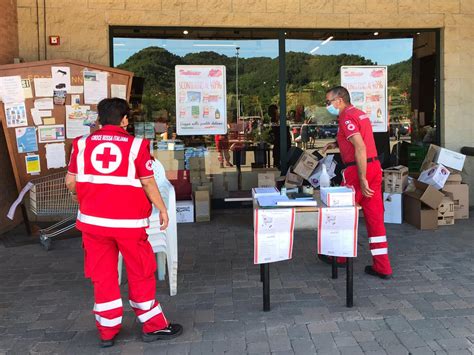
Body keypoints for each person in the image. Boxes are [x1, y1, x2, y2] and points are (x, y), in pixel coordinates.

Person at [65, 98, 183, 347]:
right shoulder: (136, 145)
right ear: (125, 120)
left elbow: (70, 182)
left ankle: (107, 331)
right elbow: (149, 182)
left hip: (93, 225)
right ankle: (153, 326)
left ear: (98, 119)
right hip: (128, 225)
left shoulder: (82, 144)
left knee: (103, 276)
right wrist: (162, 209)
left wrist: (82, 199)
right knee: (140, 272)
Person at [321, 86, 393, 279]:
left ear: (339, 100)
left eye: (328, 102)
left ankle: (341, 257)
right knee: (375, 217)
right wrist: (336, 144)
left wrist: (361, 178)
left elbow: (359, 147)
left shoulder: (345, 117)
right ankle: (382, 266)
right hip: (375, 167)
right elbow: (358, 140)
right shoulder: (360, 114)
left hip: (358, 170)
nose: (327, 105)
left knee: (344, 213)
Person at [268, 104, 291, 169]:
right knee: (278, 158)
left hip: (283, 141)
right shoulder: (274, 120)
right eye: (277, 110)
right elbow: (276, 130)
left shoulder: (280, 119)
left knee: (282, 157)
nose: (278, 112)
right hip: (279, 141)